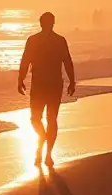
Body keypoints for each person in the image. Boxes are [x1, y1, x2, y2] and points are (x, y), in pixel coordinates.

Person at [18, 12, 76, 167]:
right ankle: (46, 150)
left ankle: (46, 151)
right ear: (53, 23)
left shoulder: (35, 40)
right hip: (52, 84)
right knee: (47, 119)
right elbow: (67, 62)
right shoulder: (57, 40)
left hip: (43, 85)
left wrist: (20, 80)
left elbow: (25, 61)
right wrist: (72, 81)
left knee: (38, 119)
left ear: (41, 23)